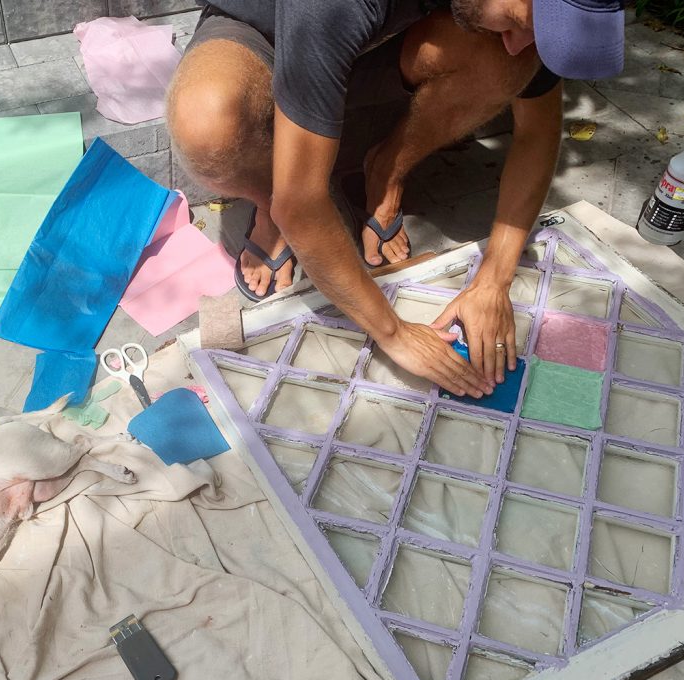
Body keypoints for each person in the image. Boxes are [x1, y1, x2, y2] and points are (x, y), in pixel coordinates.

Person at [166, 0, 624, 398]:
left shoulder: (519, 25)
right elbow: (301, 204)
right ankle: (268, 206)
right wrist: (394, 333)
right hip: (262, 30)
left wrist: (495, 278)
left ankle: (386, 171)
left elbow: (539, 130)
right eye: (521, 21)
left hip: (382, 35)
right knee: (208, 125)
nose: (517, 41)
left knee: (507, 65)